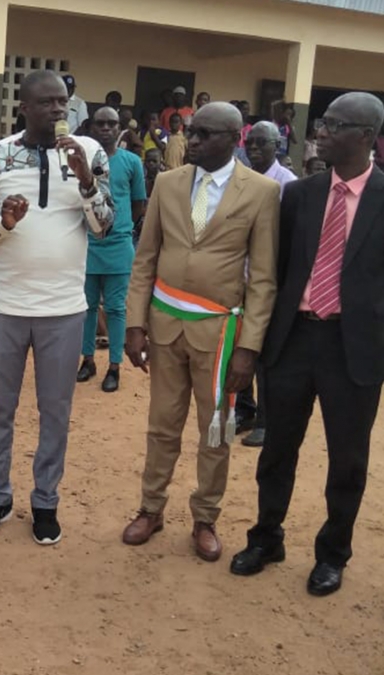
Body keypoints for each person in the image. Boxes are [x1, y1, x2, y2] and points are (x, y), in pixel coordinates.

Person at [231, 93, 384, 596]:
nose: (321, 131)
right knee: (277, 451)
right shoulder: (300, 195)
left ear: (366, 137)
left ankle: (332, 554)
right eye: (322, 121)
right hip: (293, 341)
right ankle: (266, 537)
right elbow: (274, 271)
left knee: (348, 461)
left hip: (353, 349)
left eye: (334, 125)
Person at [121, 102, 280, 562]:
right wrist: (135, 323)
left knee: (216, 431)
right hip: (166, 327)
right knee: (161, 427)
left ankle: (205, 517)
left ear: (234, 138)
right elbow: (146, 257)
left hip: (222, 334)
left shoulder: (262, 192)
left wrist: (248, 348)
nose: (192, 141)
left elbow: (265, 278)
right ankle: (151, 509)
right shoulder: (168, 183)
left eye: (205, 134)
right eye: (192, 132)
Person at [0, 71, 114, 545]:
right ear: (24, 108)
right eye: (47, 103)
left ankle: (45, 502)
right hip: (7, 305)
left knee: (55, 411)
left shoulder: (90, 152)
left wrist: (88, 180)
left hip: (65, 308)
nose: (57, 110)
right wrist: (5, 224)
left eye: (63, 102)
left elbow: (104, 226)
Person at [235, 121, 298, 447]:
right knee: (239, 346)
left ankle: (266, 420)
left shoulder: (288, 184)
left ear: (278, 146)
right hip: (239, 279)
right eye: (251, 142)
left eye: (262, 143)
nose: (254, 148)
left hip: (269, 282)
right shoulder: (242, 180)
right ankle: (244, 410)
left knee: (264, 354)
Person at [78, 107, 145, 392]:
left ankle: (114, 366)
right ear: (91, 128)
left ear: (120, 129)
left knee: (117, 308)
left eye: (111, 124)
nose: (106, 128)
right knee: (87, 307)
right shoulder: (81, 162)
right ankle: (88, 360)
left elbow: (138, 203)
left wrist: (121, 225)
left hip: (118, 245)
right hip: (88, 245)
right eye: (100, 123)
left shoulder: (132, 162)